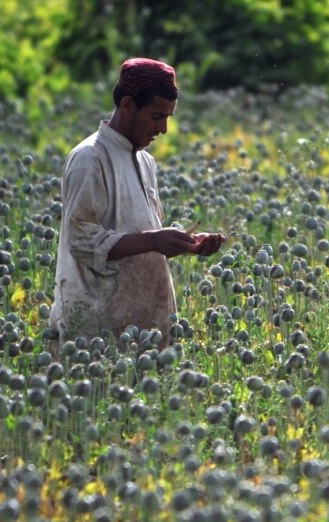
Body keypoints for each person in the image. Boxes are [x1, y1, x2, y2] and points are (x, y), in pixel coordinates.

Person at [50, 57, 225, 342]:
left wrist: (185, 245)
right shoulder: (90, 158)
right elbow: (81, 239)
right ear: (128, 105)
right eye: (157, 117)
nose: (164, 129)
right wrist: (154, 240)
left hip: (146, 330)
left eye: (168, 118)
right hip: (97, 335)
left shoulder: (145, 161)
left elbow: (139, 239)